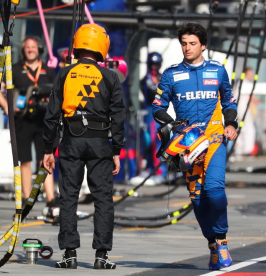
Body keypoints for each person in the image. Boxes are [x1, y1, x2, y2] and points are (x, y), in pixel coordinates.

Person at [152, 22, 238, 271]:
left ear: (203, 45)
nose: (187, 48)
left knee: (214, 191)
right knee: (198, 199)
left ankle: (221, 238)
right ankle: (212, 244)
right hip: (187, 145)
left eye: (192, 43)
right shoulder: (171, 74)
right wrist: (172, 125)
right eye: (184, 43)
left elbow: (229, 101)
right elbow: (157, 107)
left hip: (213, 140)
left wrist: (230, 124)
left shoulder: (218, 70)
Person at [43, 23, 125, 270]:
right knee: (103, 198)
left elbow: (51, 114)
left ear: (77, 45)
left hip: (71, 141)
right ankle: (101, 256)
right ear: (102, 47)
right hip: (100, 143)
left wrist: (49, 148)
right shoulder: (111, 76)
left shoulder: (65, 74)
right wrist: (117, 150)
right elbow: (119, 115)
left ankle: (69, 254)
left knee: (68, 197)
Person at [12, 36, 56, 207]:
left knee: (45, 159)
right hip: (22, 120)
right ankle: (27, 198)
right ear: (23, 50)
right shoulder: (15, 69)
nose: (30, 49)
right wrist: (9, 107)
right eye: (27, 47)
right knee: (25, 160)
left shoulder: (48, 70)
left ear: (39, 49)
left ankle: (51, 198)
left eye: (33, 47)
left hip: (44, 120)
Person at [140, 52, 167, 177]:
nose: (154, 67)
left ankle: (159, 171)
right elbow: (152, 93)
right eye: (152, 65)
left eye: (157, 64)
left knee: (158, 141)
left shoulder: (163, 78)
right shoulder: (146, 79)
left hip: (160, 112)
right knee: (148, 141)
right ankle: (150, 168)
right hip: (149, 112)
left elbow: (163, 94)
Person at [234, 67, 257, 157]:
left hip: (239, 110)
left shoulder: (239, 83)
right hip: (243, 110)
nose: (251, 76)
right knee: (249, 130)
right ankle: (246, 149)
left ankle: (240, 150)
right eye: (250, 74)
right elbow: (250, 98)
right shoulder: (244, 84)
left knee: (241, 129)